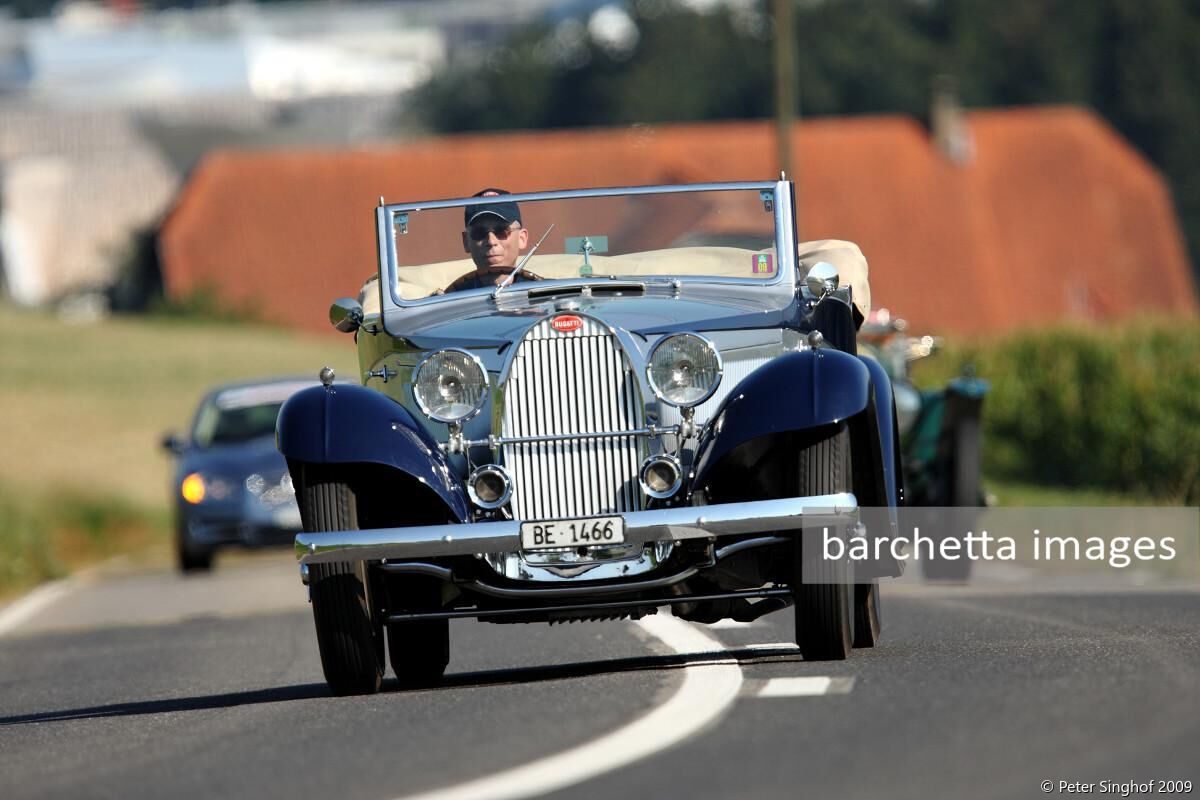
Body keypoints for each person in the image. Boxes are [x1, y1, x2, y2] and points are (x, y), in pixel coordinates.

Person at [445, 188, 534, 292]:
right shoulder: (449, 302)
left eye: (501, 231)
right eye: (479, 232)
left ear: (521, 238)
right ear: (466, 242)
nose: (491, 241)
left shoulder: (550, 294)